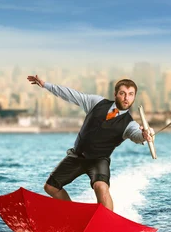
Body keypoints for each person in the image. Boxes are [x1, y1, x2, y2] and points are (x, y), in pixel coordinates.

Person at [27, 75, 154, 211]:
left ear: (134, 97)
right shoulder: (96, 103)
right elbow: (71, 95)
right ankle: (73, 214)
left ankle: (108, 223)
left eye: (130, 94)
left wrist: (145, 135)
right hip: (76, 156)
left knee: (101, 186)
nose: (126, 98)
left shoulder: (130, 124)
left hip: (98, 160)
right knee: (50, 187)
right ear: (115, 94)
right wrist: (45, 84)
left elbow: (137, 136)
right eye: (122, 93)